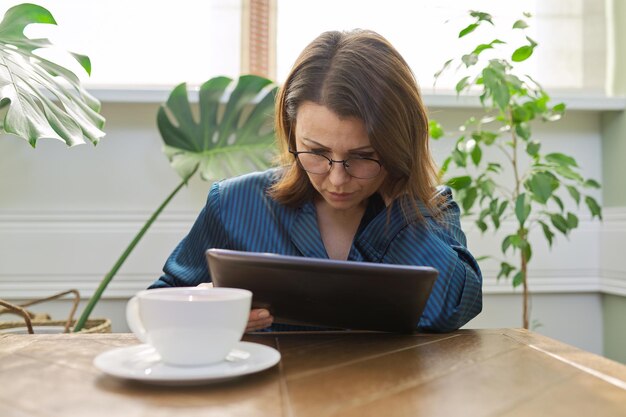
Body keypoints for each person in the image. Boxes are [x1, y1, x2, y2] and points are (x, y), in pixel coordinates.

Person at [149, 29, 482, 333]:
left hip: (389, 396)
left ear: (398, 146)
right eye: (316, 151)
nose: (337, 179)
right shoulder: (235, 203)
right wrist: (201, 308)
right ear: (292, 132)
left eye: (362, 156)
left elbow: (452, 310)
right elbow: (157, 306)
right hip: (267, 395)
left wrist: (404, 202)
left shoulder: (430, 210)